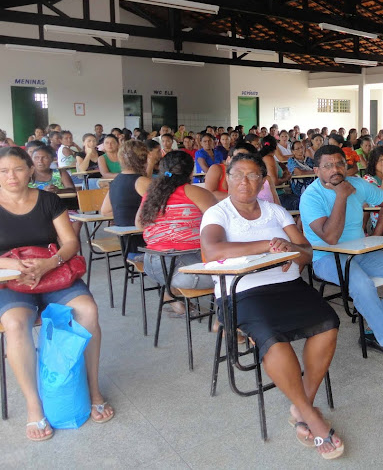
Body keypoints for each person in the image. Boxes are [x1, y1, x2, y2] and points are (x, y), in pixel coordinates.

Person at [200, 153, 343, 458]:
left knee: (328, 324)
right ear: (227, 178)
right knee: (274, 341)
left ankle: (300, 404)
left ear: (263, 181)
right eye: (238, 175)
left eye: (254, 175)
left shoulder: (276, 212)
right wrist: (267, 245)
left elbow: (306, 253)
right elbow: (211, 251)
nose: (245, 182)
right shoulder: (218, 213)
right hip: (241, 292)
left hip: (287, 286)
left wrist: (290, 248)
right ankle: (310, 415)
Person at [0, 146, 115, 441]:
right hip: (11, 281)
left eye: (17, 169)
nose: (11, 176)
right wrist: (13, 263)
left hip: (54, 274)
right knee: (15, 324)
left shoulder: (48, 200)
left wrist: (49, 263)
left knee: (88, 310)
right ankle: (33, 405)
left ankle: (93, 389)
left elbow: (69, 243)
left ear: (30, 171)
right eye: (3, 171)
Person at [300, 145, 383, 355]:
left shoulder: (357, 183)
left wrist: (377, 233)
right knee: (363, 285)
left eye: (340, 163)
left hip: (360, 251)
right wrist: (341, 196)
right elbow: (330, 238)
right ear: (317, 171)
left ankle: (375, 329)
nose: (335, 169)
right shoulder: (311, 197)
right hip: (327, 257)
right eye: (327, 166)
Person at [136, 152, 218, 314]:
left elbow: (139, 225)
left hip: (152, 265)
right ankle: (222, 322)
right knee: (233, 276)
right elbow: (222, 224)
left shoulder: (152, 193)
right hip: (182, 269)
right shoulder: (197, 193)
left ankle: (171, 293)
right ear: (191, 172)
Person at [100, 140, 152, 259]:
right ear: (144, 159)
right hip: (144, 246)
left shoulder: (115, 181)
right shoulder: (142, 182)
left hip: (127, 245)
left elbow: (105, 211)